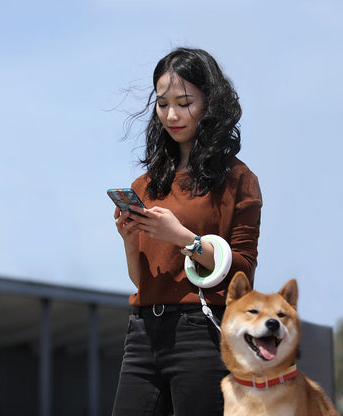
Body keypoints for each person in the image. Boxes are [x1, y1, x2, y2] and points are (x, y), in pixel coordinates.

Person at [112, 47, 262, 416]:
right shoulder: (145, 185)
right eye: (163, 104)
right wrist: (131, 244)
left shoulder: (238, 180)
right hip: (143, 333)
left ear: (209, 102)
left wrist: (182, 237)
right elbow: (142, 280)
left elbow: (242, 268)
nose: (172, 115)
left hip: (202, 332)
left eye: (184, 102)